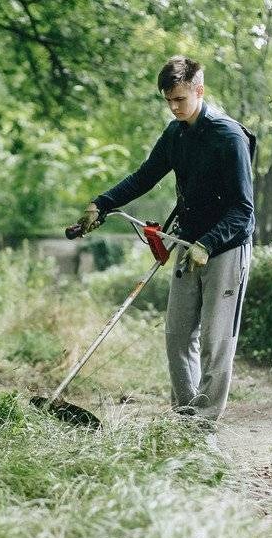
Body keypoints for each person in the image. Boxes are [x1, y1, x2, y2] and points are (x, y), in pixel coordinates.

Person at [75, 56, 256, 420]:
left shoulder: (229, 136)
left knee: (214, 340)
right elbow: (145, 176)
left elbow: (243, 208)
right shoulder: (175, 134)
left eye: (180, 100)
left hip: (226, 246)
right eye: (168, 101)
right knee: (176, 334)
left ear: (198, 91)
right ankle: (186, 411)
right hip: (188, 241)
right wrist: (102, 203)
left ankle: (204, 426)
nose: (174, 108)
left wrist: (210, 243)